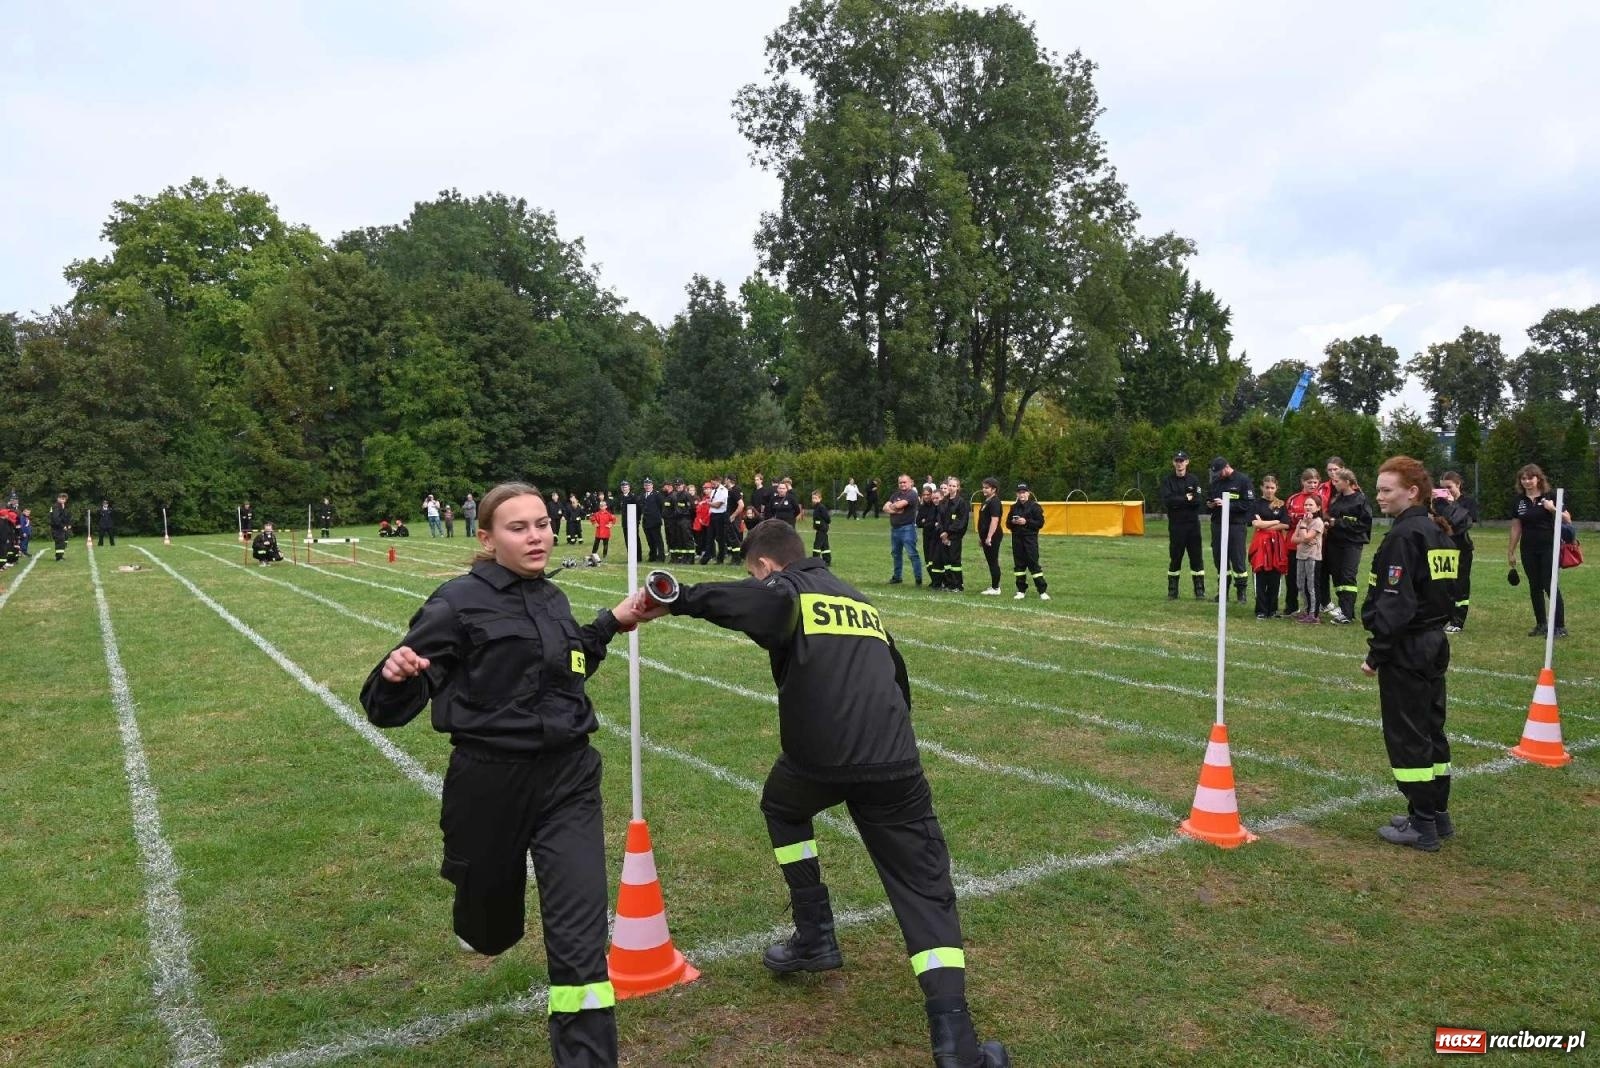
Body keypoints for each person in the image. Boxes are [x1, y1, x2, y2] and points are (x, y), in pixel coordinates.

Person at [631, 520, 1010, 1068]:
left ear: (764, 567)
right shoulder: (861, 603)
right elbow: (899, 682)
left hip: (821, 760)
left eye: (753, 574)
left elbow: (756, 606)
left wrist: (681, 597)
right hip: (894, 760)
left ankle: (815, 931)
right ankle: (955, 1041)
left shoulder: (786, 592)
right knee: (924, 889)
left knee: (784, 807)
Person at [360, 483, 645, 1066]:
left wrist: (612, 623)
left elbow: (568, 666)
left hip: (570, 781)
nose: (537, 535)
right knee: (491, 933)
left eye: (542, 523)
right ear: (488, 539)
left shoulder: (552, 597)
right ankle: (481, 915)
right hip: (490, 784)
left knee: (579, 943)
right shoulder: (456, 603)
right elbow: (386, 708)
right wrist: (396, 675)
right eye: (519, 528)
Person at [1361, 457, 1459, 852]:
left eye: (1387, 490)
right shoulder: (1437, 531)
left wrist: (1376, 653)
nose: (1379, 496)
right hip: (1433, 641)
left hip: (1409, 647)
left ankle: (1422, 824)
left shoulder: (1405, 536)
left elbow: (1395, 604)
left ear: (1412, 491)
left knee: (1408, 734)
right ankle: (1436, 812)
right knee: (1431, 728)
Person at [1507, 464, 1570, 638]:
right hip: (1528, 548)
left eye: (1530, 478)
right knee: (1534, 586)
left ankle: (1559, 626)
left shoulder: (1550, 497)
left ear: (1538, 478)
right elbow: (1516, 527)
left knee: (1549, 584)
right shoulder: (1519, 501)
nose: (1527, 481)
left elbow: (1567, 519)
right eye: (1523, 478)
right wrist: (1511, 551)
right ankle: (1541, 624)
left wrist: (1552, 509)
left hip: (1549, 546)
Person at [1324, 468, 1373, 625]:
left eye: (1337, 481)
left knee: (1347, 575)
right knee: (1337, 576)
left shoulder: (1361, 500)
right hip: (1334, 543)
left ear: (1348, 482)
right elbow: (1332, 517)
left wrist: (1338, 523)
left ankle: (1347, 612)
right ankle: (1345, 610)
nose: (1334, 483)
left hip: (1352, 544)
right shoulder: (1336, 500)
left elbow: (1363, 524)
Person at [1206, 458, 1254, 604]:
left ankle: (1241, 593)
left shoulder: (1243, 480)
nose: (1218, 475)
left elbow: (1248, 504)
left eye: (1220, 472)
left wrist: (1227, 504)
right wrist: (1210, 504)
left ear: (1227, 467)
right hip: (1217, 524)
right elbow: (1208, 501)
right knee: (1219, 559)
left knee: (1238, 559)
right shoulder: (1216, 482)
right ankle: (1222, 592)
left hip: (1236, 526)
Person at [1160, 451, 1206, 601]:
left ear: (1187, 462)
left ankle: (1199, 590)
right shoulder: (1168, 481)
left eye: (1182, 460)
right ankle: (1172, 591)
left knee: (1196, 558)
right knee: (1175, 557)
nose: (1179, 463)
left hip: (1193, 526)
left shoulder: (1194, 479)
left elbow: (1198, 501)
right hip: (1176, 526)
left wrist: (1178, 501)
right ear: (1173, 463)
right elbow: (1167, 501)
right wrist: (1185, 499)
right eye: (1177, 460)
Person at [1438, 471, 1477, 632]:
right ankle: (1443, 617)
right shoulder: (1439, 502)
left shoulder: (1467, 502)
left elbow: (1465, 522)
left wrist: (1452, 503)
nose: (1446, 491)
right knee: (1443, 584)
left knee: (1460, 584)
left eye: (1449, 487)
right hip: (1442, 547)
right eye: (1443, 488)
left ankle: (1458, 621)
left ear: (1458, 485)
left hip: (1461, 548)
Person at [1248, 475, 1290, 619]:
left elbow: (1285, 524)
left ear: (1276, 488)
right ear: (1262, 488)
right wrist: (1275, 521)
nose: (1269, 490)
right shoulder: (1256, 504)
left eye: (1272, 488)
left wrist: (1266, 524)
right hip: (1260, 544)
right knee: (1260, 576)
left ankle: (1272, 610)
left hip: (1277, 545)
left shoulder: (1281, 504)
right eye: (1267, 487)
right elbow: (1256, 524)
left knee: (1275, 576)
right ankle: (1260, 610)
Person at [1283, 469, 1322, 616]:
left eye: (1315, 482)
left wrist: (1299, 518)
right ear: (1302, 482)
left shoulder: (1319, 498)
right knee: (1292, 577)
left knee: (1311, 581)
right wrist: (1298, 518)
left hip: (1311, 547)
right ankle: (1291, 606)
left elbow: (1320, 519)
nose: (1312, 485)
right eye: (1309, 482)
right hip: (1293, 544)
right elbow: (1287, 519)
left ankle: (1312, 611)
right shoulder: (1294, 498)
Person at [1008, 483, 1049, 601]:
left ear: (1028, 493)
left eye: (1024, 492)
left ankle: (1042, 591)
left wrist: (1026, 522)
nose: (1022, 495)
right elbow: (1007, 524)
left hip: (1030, 539)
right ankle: (1021, 590)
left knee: (1034, 565)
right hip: (1017, 539)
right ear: (1017, 494)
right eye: (1020, 492)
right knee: (1019, 566)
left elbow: (1040, 523)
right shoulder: (1013, 507)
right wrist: (1013, 522)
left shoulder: (1035, 507)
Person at [884, 474, 924, 586]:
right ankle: (897, 577)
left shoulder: (912, 494)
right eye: (900, 482)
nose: (902, 484)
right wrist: (896, 509)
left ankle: (918, 579)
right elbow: (885, 507)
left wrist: (894, 506)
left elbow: (900, 504)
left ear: (910, 482)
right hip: (895, 529)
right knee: (896, 554)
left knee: (912, 554)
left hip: (907, 529)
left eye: (904, 482)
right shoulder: (895, 494)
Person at [1290, 496, 1325, 624]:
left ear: (1318, 507)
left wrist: (1304, 529)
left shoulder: (1318, 522)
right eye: (1306, 505)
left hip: (1313, 557)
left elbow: (1306, 537)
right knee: (1301, 584)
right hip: (1301, 556)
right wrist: (1304, 537)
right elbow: (1294, 539)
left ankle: (1314, 615)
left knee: (1311, 586)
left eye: (1310, 505)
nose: (1307, 507)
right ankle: (1305, 610)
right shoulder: (1301, 521)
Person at [934, 478, 969, 593]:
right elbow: (939, 519)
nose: (951, 488)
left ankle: (958, 585)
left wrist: (948, 533)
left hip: (954, 537)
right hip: (943, 536)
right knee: (946, 561)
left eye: (954, 486)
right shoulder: (943, 502)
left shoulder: (961, 502)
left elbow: (961, 521)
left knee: (955, 561)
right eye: (950, 485)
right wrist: (942, 532)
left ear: (958, 488)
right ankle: (950, 584)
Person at [977, 478, 1004, 595]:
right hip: (985, 536)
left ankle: (996, 588)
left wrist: (989, 537)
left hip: (993, 536)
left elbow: (994, 520)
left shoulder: (995, 502)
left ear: (994, 489)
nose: (984, 489)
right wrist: (981, 537)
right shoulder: (987, 501)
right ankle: (994, 586)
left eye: (987, 488)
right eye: (983, 487)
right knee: (990, 561)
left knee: (993, 561)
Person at [640, 478, 665, 563]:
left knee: (658, 540)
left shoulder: (657, 494)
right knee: (650, 540)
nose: (647, 486)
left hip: (655, 521)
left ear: (652, 485)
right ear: (644, 486)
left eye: (649, 485)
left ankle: (661, 557)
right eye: (646, 485)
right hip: (646, 521)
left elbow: (661, 506)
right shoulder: (643, 495)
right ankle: (653, 556)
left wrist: (659, 517)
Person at [810, 489, 831, 565]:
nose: (814, 500)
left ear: (820, 499)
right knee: (824, 545)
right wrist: (814, 526)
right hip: (819, 528)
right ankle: (827, 560)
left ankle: (815, 561)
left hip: (822, 528)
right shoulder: (816, 507)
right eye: (813, 498)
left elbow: (827, 518)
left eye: (816, 498)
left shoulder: (821, 507)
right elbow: (816, 518)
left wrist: (824, 524)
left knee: (817, 544)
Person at [50, 493, 72, 562]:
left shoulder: (63, 506)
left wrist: (68, 524)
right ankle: (58, 558)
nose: (63, 500)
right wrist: (62, 526)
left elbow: (66, 516)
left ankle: (60, 556)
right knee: (59, 542)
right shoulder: (56, 506)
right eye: (62, 499)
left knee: (63, 542)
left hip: (63, 527)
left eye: (65, 499)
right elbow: (56, 518)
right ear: (58, 498)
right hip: (57, 528)